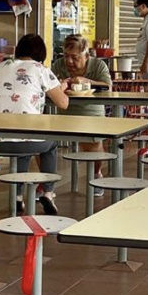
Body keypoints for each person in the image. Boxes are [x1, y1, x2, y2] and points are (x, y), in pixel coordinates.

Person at [0, 34, 69, 214]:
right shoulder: (41, 69)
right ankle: (48, 192)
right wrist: (61, 87)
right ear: (41, 53)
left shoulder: (1, 66)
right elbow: (63, 103)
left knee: (23, 145)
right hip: (30, 138)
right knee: (48, 144)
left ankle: (17, 197)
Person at [51, 34, 113, 196]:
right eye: (66, 56)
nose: (69, 62)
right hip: (64, 112)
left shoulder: (98, 65)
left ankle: (96, 174)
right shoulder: (58, 65)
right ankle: (45, 185)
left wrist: (87, 81)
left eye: (75, 57)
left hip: (91, 111)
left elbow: (108, 86)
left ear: (86, 55)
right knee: (44, 143)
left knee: (93, 143)